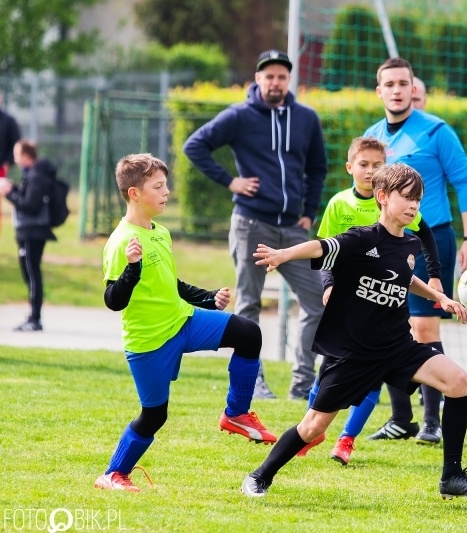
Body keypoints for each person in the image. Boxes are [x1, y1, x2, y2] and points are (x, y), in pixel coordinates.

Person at [241, 163, 467, 500]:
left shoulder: (410, 245)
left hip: (398, 346)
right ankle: (259, 475)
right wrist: (285, 253)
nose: (414, 205)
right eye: (407, 198)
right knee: (313, 427)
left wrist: (440, 297)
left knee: (457, 381)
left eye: (418, 199)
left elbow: (404, 278)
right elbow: (321, 247)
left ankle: (452, 477)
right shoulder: (362, 238)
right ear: (383, 197)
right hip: (353, 354)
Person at [95, 154, 276, 493]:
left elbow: (170, 284)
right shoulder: (122, 241)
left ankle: (236, 413)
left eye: (166, 184)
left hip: (184, 320)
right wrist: (132, 267)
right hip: (150, 342)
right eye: (158, 186)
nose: (167, 192)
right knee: (154, 416)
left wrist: (207, 298)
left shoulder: (159, 232)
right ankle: (113, 474)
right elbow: (113, 300)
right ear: (134, 193)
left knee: (248, 333)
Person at [183, 49, 327, 401]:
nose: (275, 82)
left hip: (293, 229)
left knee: (317, 302)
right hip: (252, 224)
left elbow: (317, 168)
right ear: (257, 78)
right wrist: (231, 182)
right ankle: (254, 381)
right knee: (249, 304)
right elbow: (195, 145)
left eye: (281, 76)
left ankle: (303, 383)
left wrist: (308, 209)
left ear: (288, 80)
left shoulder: (306, 118)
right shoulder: (240, 116)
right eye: (269, 76)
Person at [299, 136, 441, 465]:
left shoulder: (397, 205)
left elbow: (426, 234)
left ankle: (347, 439)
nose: (369, 170)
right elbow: (325, 248)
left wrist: (434, 276)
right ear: (350, 167)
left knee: (372, 375)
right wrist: (329, 283)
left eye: (377, 165)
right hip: (346, 303)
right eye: (363, 164)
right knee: (327, 373)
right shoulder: (339, 204)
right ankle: (312, 427)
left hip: (380, 306)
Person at [362, 57, 467, 445]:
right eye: (389, 84)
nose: (397, 90)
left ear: (414, 89)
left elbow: (463, 182)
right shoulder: (374, 137)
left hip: (433, 240)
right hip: (384, 243)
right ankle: (401, 418)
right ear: (379, 91)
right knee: (387, 328)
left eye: (403, 83)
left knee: (424, 327)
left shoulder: (436, 131)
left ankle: (432, 422)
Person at [0, 140, 57, 332]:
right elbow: (26, 199)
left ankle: (35, 319)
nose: (15, 159)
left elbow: (30, 206)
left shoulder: (36, 176)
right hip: (26, 231)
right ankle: (32, 316)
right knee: (29, 273)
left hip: (33, 231)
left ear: (26, 155)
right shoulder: (30, 175)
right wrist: (13, 189)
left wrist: (9, 194)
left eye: (17, 155)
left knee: (33, 273)